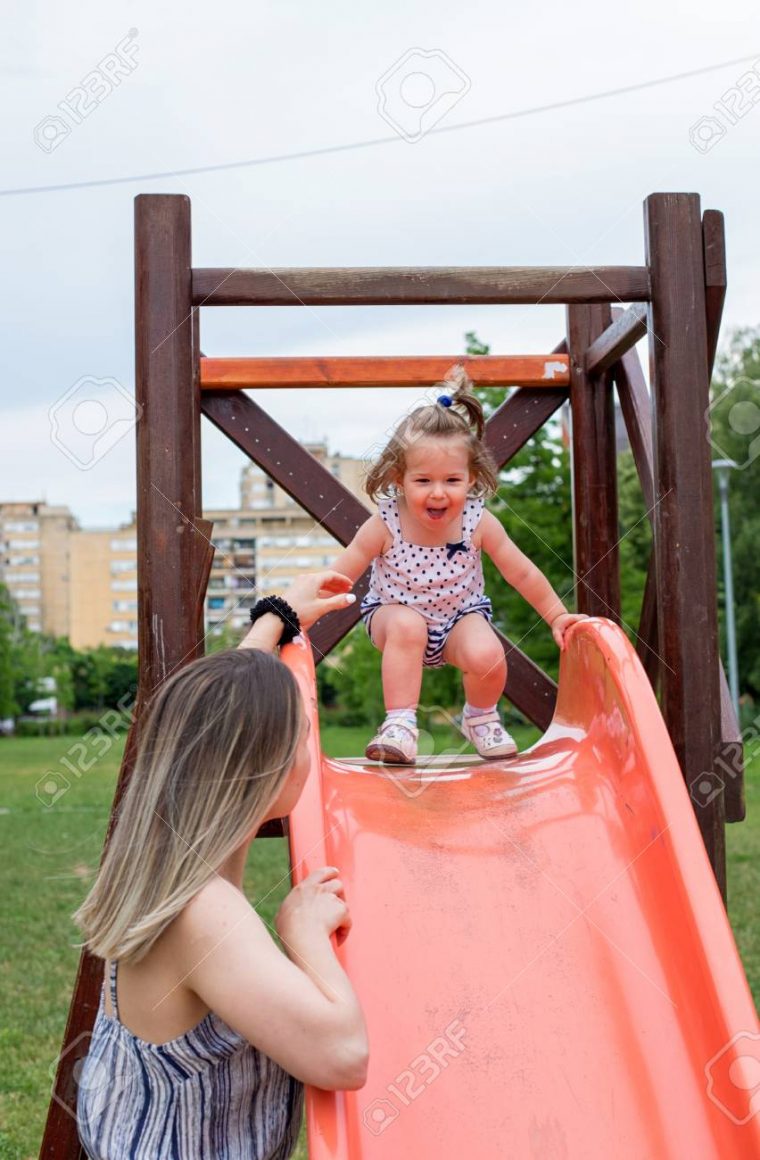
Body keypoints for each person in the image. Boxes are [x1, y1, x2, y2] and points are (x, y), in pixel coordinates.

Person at [73, 572, 367, 1160]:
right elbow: (343, 1056)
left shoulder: (162, 845)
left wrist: (275, 617)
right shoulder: (206, 916)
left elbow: (208, 721)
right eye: (304, 735)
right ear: (270, 770)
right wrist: (302, 935)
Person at [331, 365, 588, 765]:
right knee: (406, 625)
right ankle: (399, 724)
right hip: (393, 616)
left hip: (460, 616)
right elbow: (342, 573)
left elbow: (519, 571)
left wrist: (556, 615)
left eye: (452, 480)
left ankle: (480, 717)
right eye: (423, 481)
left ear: (471, 479)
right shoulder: (386, 522)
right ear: (399, 478)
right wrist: (298, 618)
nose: (438, 493)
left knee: (487, 650)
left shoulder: (478, 520)